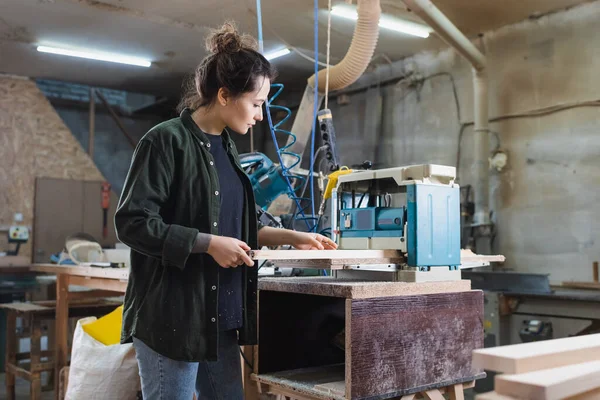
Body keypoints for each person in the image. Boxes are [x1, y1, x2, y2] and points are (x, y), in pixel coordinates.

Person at [114, 21, 337, 400]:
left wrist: (293, 236)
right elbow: (133, 223)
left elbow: (232, 227)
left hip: (218, 316)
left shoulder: (228, 152)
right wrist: (208, 244)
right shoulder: (166, 142)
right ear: (223, 95)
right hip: (174, 317)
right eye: (256, 103)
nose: (261, 115)